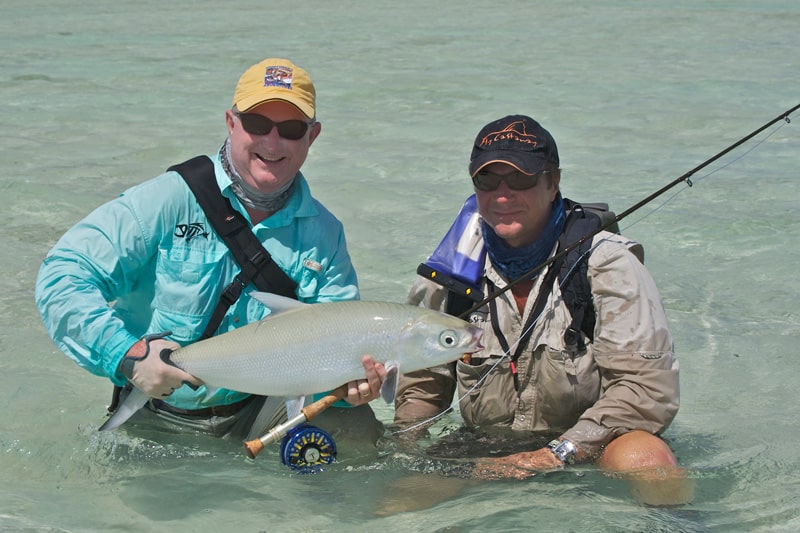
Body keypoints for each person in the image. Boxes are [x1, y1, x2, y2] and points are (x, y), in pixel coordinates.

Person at [35, 58, 386, 444]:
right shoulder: (167, 200)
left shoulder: (325, 234)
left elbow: (333, 345)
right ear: (231, 123)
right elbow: (63, 274)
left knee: (358, 429)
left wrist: (347, 389)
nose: (272, 143)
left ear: (312, 136)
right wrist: (126, 355)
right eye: (256, 124)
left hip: (259, 412)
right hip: (157, 405)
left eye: (290, 129)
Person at [394, 115, 692, 505]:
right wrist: (405, 450)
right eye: (487, 180)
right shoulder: (449, 275)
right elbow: (423, 387)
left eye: (521, 179)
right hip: (484, 450)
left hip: (590, 444)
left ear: (553, 183)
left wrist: (554, 455)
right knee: (401, 504)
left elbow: (646, 390)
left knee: (646, 458)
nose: (503, 195)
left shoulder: (608, 266)